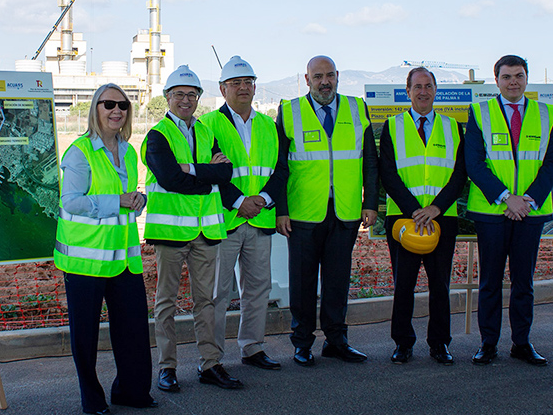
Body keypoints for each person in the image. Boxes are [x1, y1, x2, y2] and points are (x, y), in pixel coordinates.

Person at [55, 83, 156, 414]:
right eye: (108, 104)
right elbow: (70, 203)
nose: (117, 110)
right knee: (85, 338)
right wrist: (118, 201)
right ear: (95, 110)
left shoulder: (128, 151)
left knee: (134, 330)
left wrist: (137, 202)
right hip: (85, 263)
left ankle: (131, 391)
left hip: (123, 260)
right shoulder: (80, 153)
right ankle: (92, 401)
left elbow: (127, 200)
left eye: (123, 105)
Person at [142, 65, 241, 391]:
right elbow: (170, 179)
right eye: (179, 94)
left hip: (206, 233)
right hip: (170, 234)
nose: (186, 100)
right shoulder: (157, 136)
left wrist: (192, 172)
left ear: (199, 97)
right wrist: (204, 176)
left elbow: (225, 175)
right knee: (166, 302)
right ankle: (167, 367)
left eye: (191, 94)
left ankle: (209, 364)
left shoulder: (207, 132)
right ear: (167, 98)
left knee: (207, 302)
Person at [276, 55, 379, 366]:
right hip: (303, 214)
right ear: (307, 80)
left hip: (345, 211)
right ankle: (302, 343)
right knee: (303, 282)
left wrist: (370, 203)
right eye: (318, 76)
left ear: (338, 76)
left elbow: (369, 161)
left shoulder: (357, 108)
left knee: (337, 281)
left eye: (330, 75)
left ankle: (337, 341)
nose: (325, 82)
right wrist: (281, 210)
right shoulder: (289, 111)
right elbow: (279, 166)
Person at [199, 56, 288, 371]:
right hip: (225, 221)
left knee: (257, 289)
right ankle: (212, 358)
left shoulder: (268, 125)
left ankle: (252, 348)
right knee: (217, 293)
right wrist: (239, 202)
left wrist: (263, 199)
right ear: (222, 89)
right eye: (235, 83)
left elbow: (280, 170)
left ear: (255, 86)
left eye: (247, 82)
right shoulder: (207, 125)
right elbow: (208, 172)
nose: (242, 88)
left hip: (260, 219)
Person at [465, 55, 553, 366]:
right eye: (506, 76)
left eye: (518, 75)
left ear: (527, 79)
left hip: (530, 211)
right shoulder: (479, 113)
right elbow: (473, 164)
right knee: (489, 281)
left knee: (523, 282)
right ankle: (488, 343)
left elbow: (551, 164)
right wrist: (506, 198)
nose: (513, 81)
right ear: (497, 80)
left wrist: (527, 199)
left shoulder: (548, 114)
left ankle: (521, 343)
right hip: (492, 211)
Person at [379, 67, 467, 365]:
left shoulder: (452, 126)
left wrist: (435, 208)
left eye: (428, 86)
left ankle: (439, 344)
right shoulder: (393, 126)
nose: (423, 92)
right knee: (403, 284)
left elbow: (459, 175)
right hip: (404, 218)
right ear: (408, 91)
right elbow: (387, 174)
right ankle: (403, 343)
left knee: (440, 285)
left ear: (435, 89)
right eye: (417, 87)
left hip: (442, 217)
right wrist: (414, 210)